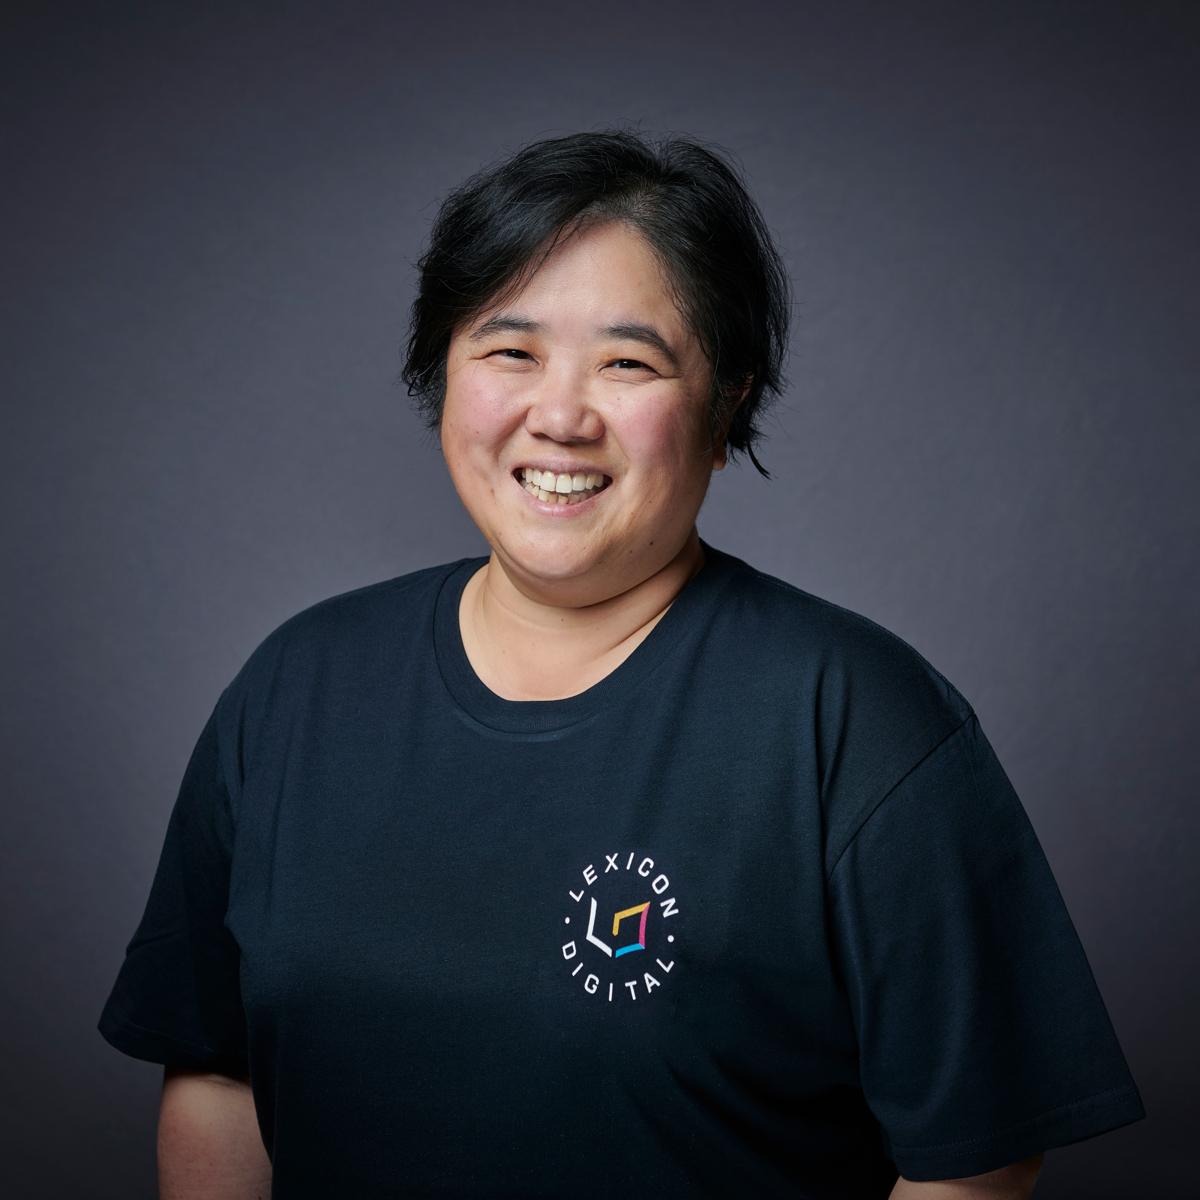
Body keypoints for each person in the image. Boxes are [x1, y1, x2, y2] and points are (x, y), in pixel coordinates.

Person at [100, 130, 1143, 1200]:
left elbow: (976, 1166)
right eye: (509, 350)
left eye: (628, 362)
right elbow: (216, 1076)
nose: (560, 416)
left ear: (727, 402)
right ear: (441, 373)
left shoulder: (854, 722)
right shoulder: (294, 689)